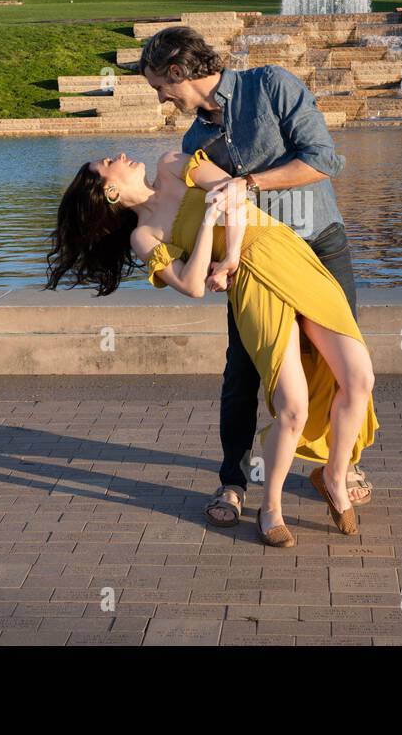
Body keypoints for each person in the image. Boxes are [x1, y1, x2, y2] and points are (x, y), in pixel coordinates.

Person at [44, 140, 378, 546]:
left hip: (285, 253)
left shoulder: (172, 165)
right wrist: (207, 224)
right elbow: (191, 284)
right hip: (253, 288)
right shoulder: (144, 235)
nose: (118, 157)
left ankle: (333, 476)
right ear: (109, 192)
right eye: (108, 163)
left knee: (359, 378)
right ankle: (271, 507)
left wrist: (231, 254)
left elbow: (234, 194)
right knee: (293, 405)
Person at [142, 26, 375, 526]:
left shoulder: (271, 85)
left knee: (344, 363)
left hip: (318, 243)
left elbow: (322, 159)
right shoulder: (194, 139)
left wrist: (248, 183)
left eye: (161, 85)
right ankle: (232, 481)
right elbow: (202, 218)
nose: (161, 97)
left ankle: (342, 468)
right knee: (241, 372)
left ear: (180, 72)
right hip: (257, 264)